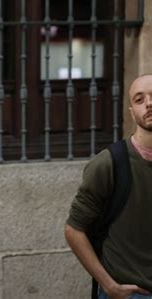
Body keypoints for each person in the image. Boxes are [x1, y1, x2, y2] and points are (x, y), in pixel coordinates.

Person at [65, 74, 152, 299]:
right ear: (132, 112)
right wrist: (109, 286)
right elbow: (74, 230)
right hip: (131, 292)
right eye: (139, 100)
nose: (149, 104)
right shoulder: (110, 163)